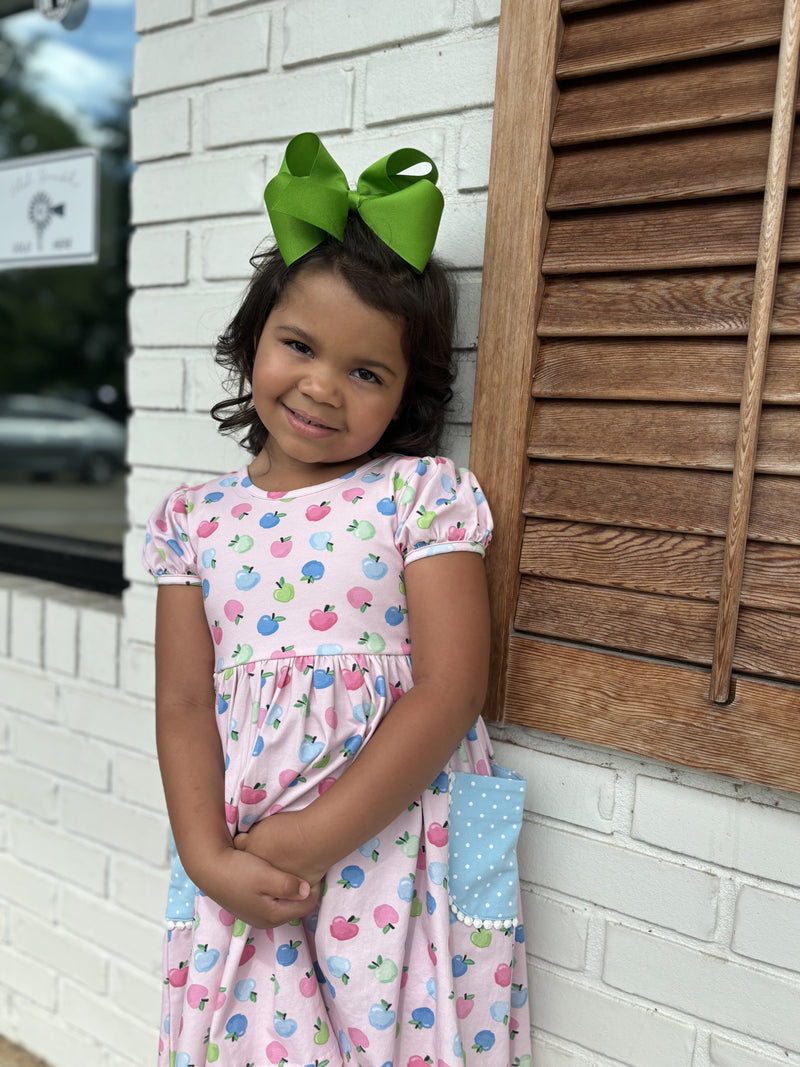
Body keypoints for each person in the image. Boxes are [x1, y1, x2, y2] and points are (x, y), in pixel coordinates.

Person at [143, 132, 531, 1067]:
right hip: (243, 853)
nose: (322, 386)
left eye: (366, 371)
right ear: (253, 340)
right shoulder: (194, 519)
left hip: (393, 849)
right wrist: (208, 856)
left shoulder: (419, 496)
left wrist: (315, 836)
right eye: (299, 345)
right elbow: (185, 702)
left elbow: (450, 687)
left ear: (404, 393)